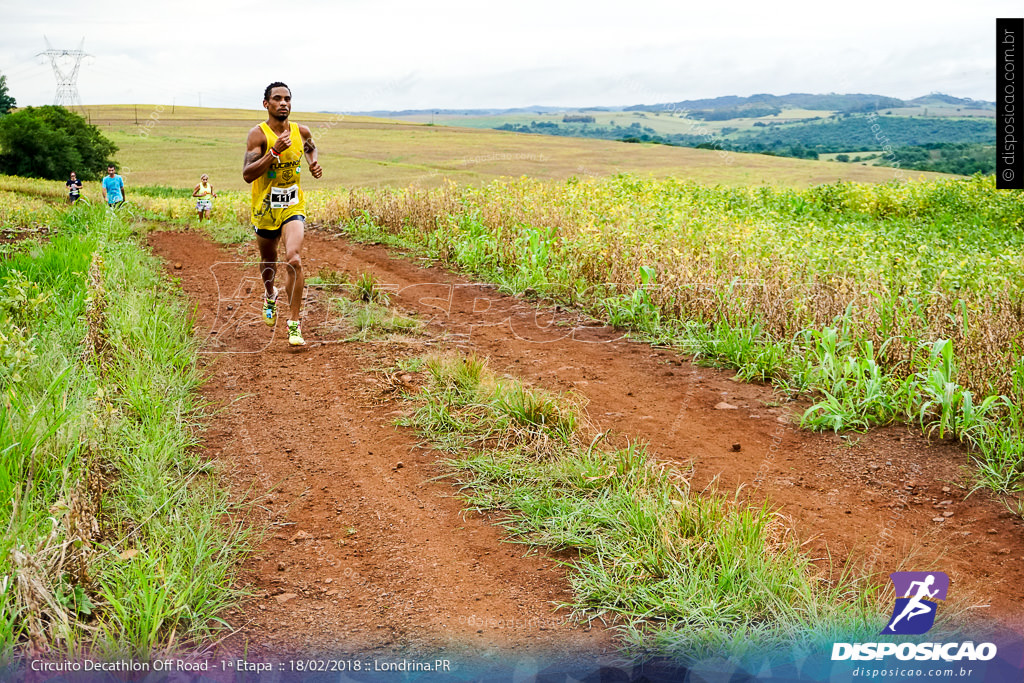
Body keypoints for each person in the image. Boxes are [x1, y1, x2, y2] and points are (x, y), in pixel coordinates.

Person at [242, 82, 322, 346]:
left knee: (294, 259)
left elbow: (309, 147)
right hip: (265, 208)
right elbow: (247, 174)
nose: (284, 103)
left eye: (287, 98)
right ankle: (269, 293)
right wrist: (273, 152)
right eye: (277, 98)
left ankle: (294, 324)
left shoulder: (302, 131)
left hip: (292, 205)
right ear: (266, 104)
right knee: (268, 261)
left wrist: (312, 163)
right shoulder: (258, 135)